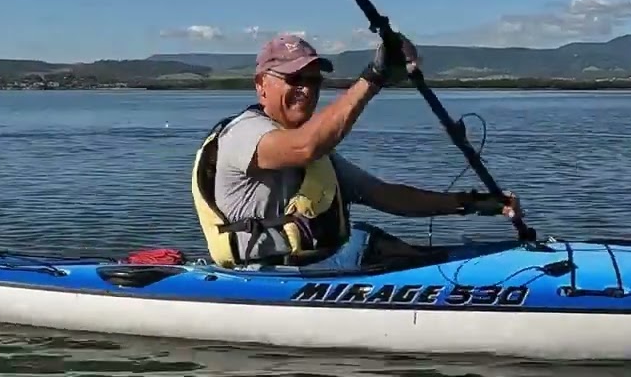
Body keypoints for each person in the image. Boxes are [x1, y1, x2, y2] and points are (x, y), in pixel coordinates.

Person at [190, 32, 522, 271]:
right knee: (374, 246)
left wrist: (474, 202)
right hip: (264, 276)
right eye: (294, 79)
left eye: (314, 80)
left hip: (323, 265)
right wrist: (374, 77)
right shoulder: (243, 134)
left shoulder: (319, 159)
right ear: (261, 84)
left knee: (380, 244)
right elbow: (305, 146)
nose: (306, 89)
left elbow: (389, 197)